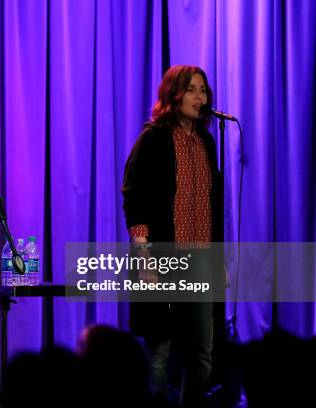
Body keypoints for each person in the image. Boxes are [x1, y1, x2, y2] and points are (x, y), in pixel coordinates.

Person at [122, 65, 223, 407]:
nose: (200, 97)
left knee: (201, 350)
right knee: (159, 349)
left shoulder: (206, 142)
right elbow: (135, 198)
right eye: (192, 90)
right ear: (174, 95)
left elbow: (214, 206)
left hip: (200, 260)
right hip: (162, 256)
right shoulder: (153, 140)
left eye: (203, 91)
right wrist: (144, 254)